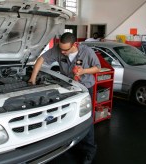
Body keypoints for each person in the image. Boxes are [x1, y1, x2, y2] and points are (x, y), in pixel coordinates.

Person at [29, 32, 100, 164]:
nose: (62, 52)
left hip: (84, 89)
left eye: (65, 50)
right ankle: (71, 144)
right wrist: (33, 78)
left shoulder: (87, 52)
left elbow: (98, 68)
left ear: (74, 44)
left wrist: (83, 71)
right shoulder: (58, 49)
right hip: (68, 89)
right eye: (60, 49)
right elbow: (41, 59)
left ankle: (89, 151)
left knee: (86, 120)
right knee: (68, 118)